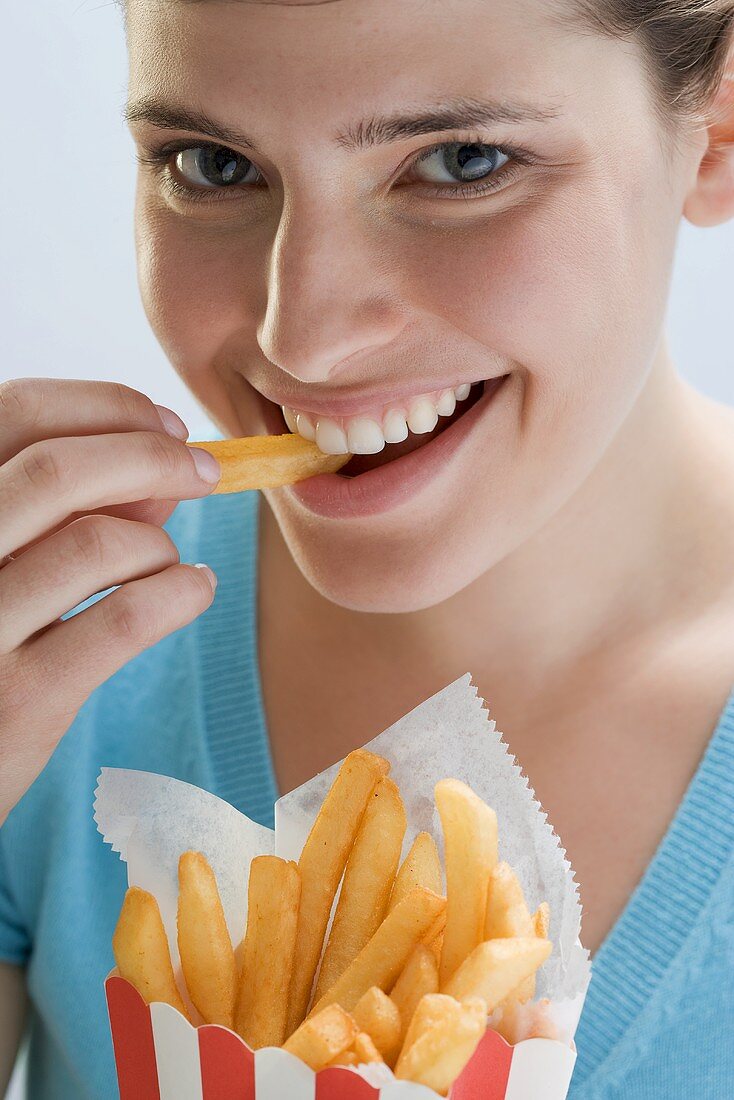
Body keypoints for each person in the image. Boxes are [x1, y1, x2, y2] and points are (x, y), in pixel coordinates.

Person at [1, 0, 733, 1096]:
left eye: (460, 161)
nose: (304, 336)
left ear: (715, 129)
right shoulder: (41, 661)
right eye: (211, 164)